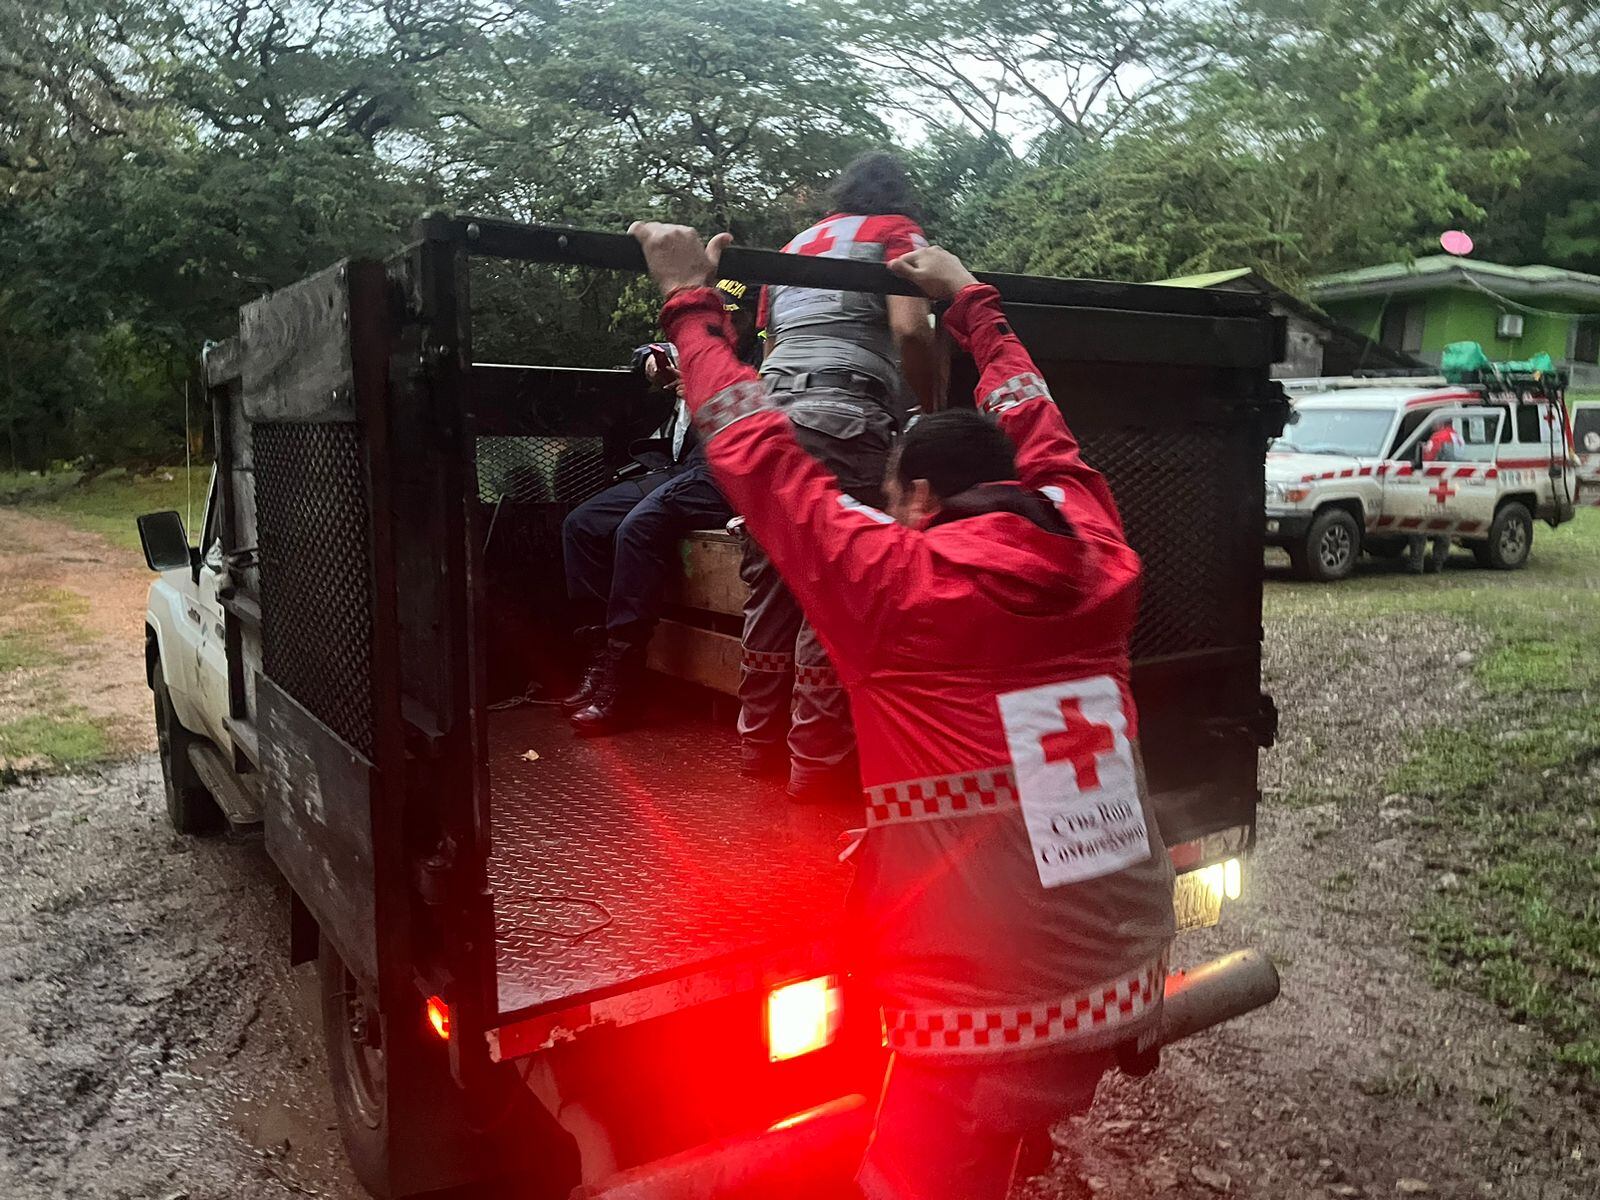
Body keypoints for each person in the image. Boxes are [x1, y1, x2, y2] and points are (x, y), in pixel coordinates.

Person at [628, 220, 1176, 1200]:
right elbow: (1044, 430)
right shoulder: (1100, 551)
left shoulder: (897, 588)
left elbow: (762, 457)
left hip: (984, 1018)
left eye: (888, 499)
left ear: (918, 500)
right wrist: (973, 305)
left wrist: (688, 304)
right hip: (1131, 974)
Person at [740, 151, 940, 799]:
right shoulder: (894, 233)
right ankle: (818, 766)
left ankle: (757, 747)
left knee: (773, 582)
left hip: (768, 422)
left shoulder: (793, 246)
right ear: (898, 194)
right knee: (837, 586)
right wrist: (929, 411)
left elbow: (769, 350)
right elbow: (911, 331)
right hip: (842, 417)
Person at [560, 279, 758, 735]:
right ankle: (598, 663)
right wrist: (649, 361)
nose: (726, 322)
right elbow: (648, 350)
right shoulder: (693, 344)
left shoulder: (757, 361)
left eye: (736, 314)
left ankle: (625, 686)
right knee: (583, 526)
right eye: (718, 313)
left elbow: (754, 425)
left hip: (726, 473)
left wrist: (700, 392)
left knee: (638, 528)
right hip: (682, 467)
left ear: (750, 320)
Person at [1409, 418, 1462, 575]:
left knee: (1420, 527)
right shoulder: (1458, 438)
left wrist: (1423, 448)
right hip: (1452, 486)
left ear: (1441, 423)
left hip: (1434, 484)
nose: (1432, 426)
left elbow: (1426, 460)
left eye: (1434, 422)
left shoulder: (1438, 438)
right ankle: (1438, 564)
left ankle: (1416, 565)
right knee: (1444, 527)